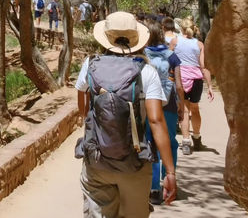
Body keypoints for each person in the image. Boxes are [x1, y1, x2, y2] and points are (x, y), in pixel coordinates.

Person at [76, 11, 177, 217]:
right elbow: (156, 121)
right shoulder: (145, 72)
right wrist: (170, 171)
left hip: (97, 162)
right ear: (136, 38)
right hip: (135, 163)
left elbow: (84, 110)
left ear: (106, 37)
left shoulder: (91, 65)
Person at [144, 21, 185, 205]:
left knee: (151, 143)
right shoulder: (172, 56)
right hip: (168, 106)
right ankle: (168, 178)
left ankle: (153, 188)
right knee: (170, 142)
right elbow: (178, 85)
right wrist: (181, 105)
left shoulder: (143, 55)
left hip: (147, 105)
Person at [171, 17, 214, 154]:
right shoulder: (199, 44)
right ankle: (196, 137)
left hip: (180, 78)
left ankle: (185, 142)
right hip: (196, 80)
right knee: (195, 109)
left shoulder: (175, 41)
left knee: (184, 110)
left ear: (181, 28)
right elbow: (203, 66)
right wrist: (210, 85)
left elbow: (169, 59)